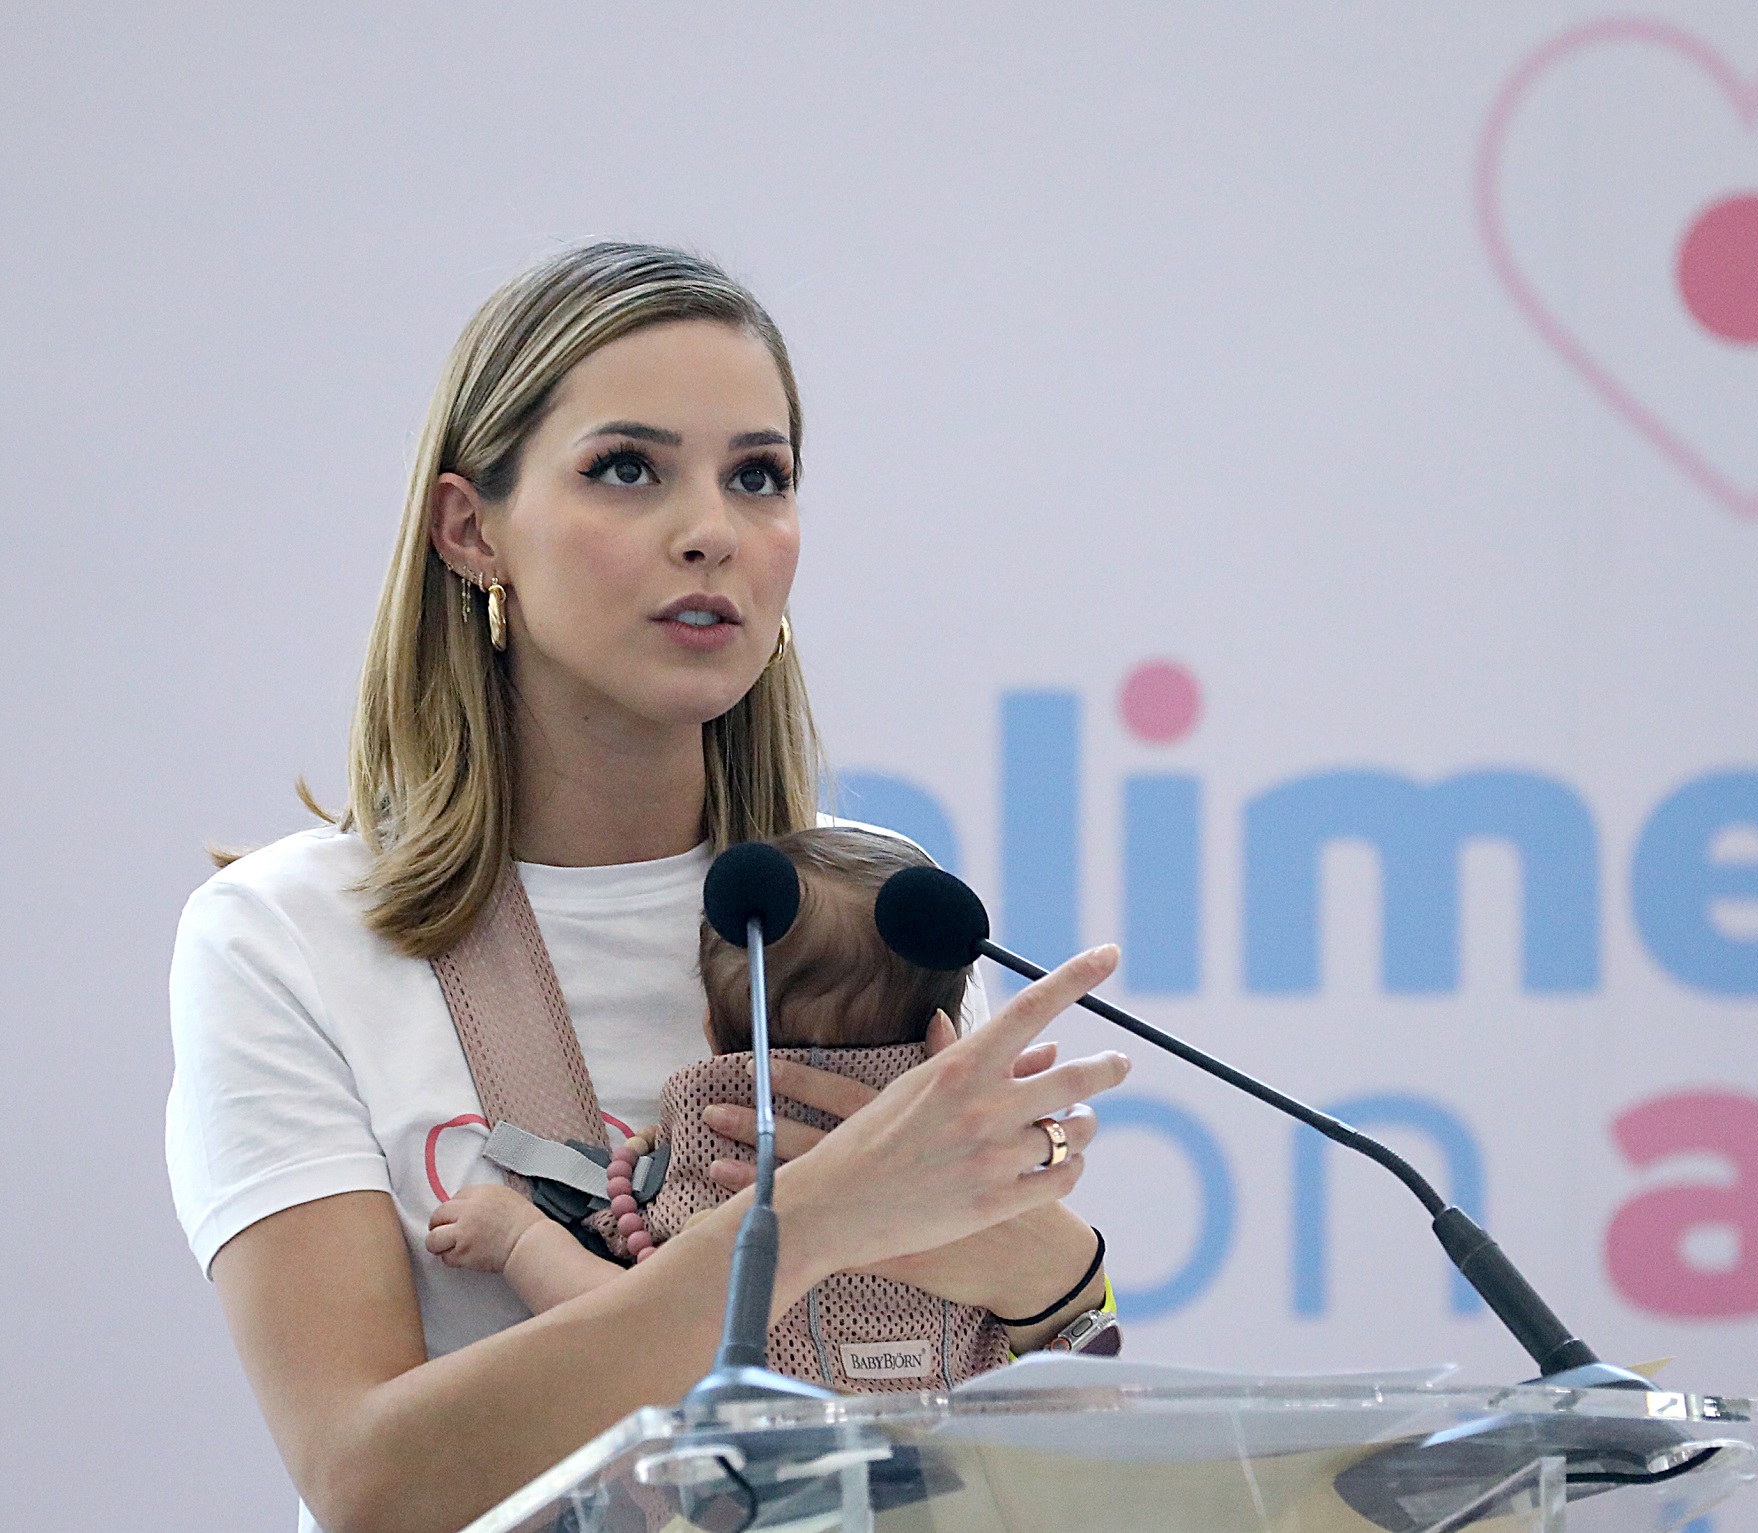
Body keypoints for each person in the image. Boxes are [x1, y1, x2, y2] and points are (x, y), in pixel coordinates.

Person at [165, 242, 1130, 1533]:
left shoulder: (872, 903)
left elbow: (1030, 1403)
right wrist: (819, 1220)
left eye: (758, 476)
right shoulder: (285, 935)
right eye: (628, 468)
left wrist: (1054, 1268)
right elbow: (367, 1480)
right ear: (471, 530)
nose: (711, 531)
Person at [421, 826, 1110, 1386]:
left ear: (714, 1034)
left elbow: (628, 1329)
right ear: (948, 1033)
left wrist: (524, 1241)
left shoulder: (725, 1159)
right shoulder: (978, 1167)